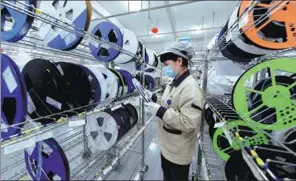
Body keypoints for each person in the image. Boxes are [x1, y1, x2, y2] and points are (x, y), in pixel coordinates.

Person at [145, 42, 204, 181]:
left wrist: (160, 112)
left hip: (178, 152)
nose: (165, 68)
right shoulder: (174, 82)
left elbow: (188, 122)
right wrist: (153, 97)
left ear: (179, 60)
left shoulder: (191, 88)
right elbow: (167, 102)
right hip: (167, 146)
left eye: (166, 64)